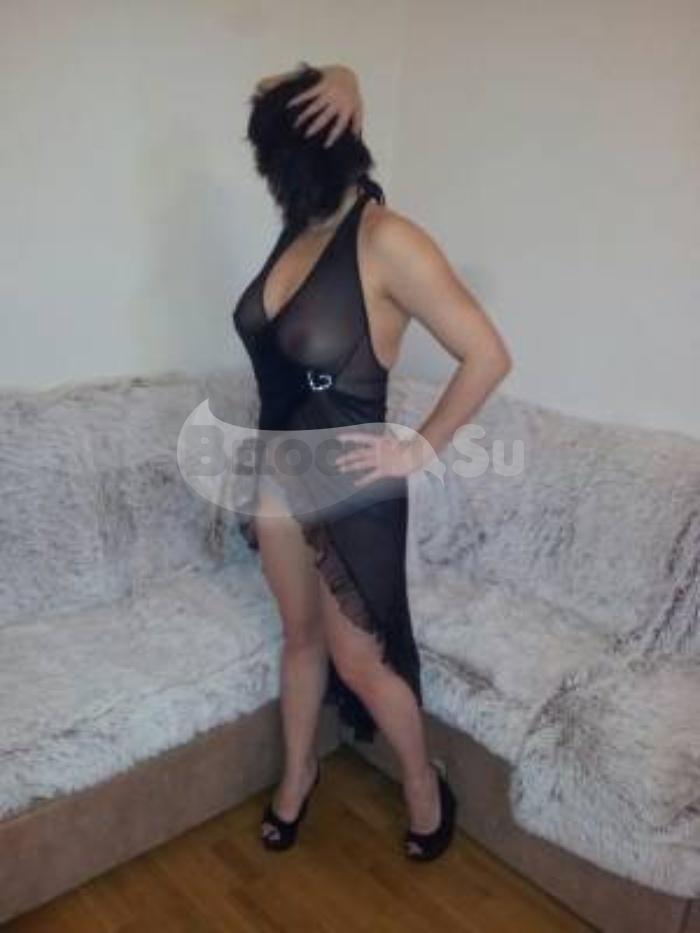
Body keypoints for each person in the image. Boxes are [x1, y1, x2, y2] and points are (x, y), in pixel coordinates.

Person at [232, 62, 512, 860]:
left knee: (359, 658)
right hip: (277, 473)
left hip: (353, 483)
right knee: (299, 638)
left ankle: (423, 782)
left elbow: (488, 355)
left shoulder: (389, 240)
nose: (277, 184)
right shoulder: (299, 228)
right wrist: (344, 72)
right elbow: (275, 92)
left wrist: (419, 445)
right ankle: (299, 773)